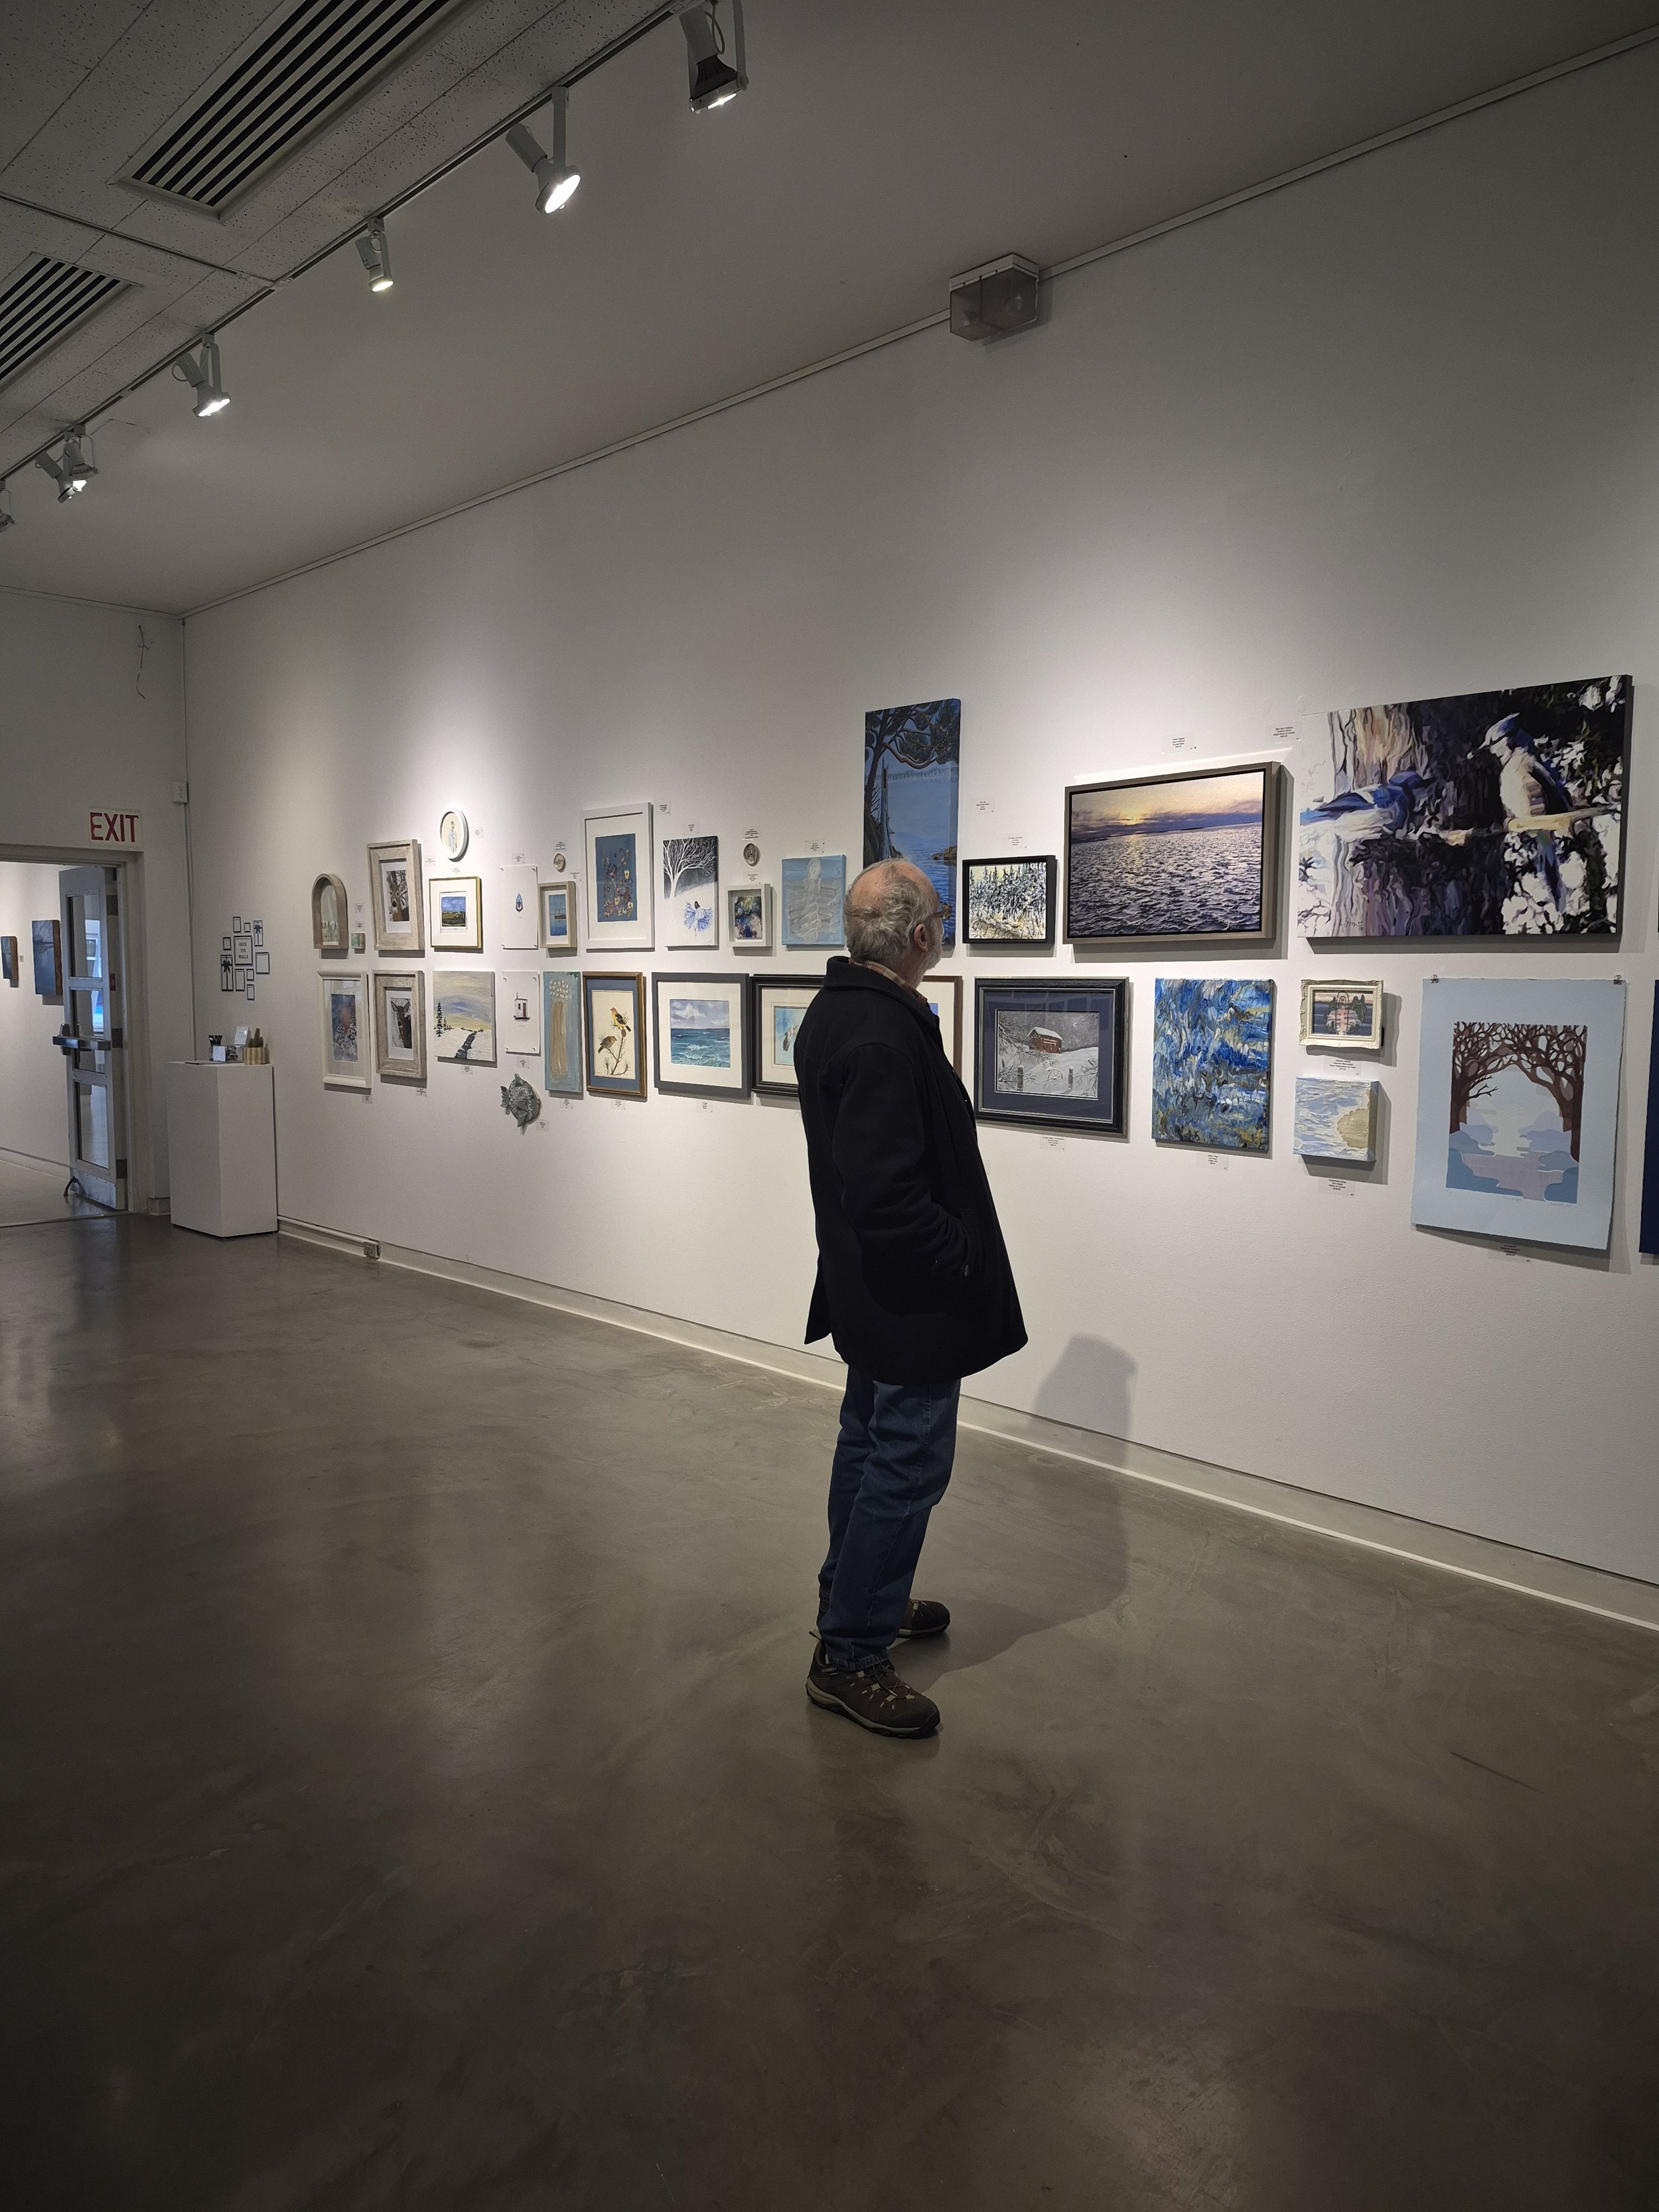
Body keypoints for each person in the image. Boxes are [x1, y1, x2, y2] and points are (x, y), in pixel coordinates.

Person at [792, 859, 1027, 1737]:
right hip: (908, 1300)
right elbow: (888, 1195)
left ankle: (853, 1599)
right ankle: (849, 1652)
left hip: (866, 1292)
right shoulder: (884, 1036)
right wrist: (961, 1257)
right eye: (943, 918)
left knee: (866, 1446)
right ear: (923, 936)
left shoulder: (839, 1013)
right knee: (905, 1465)